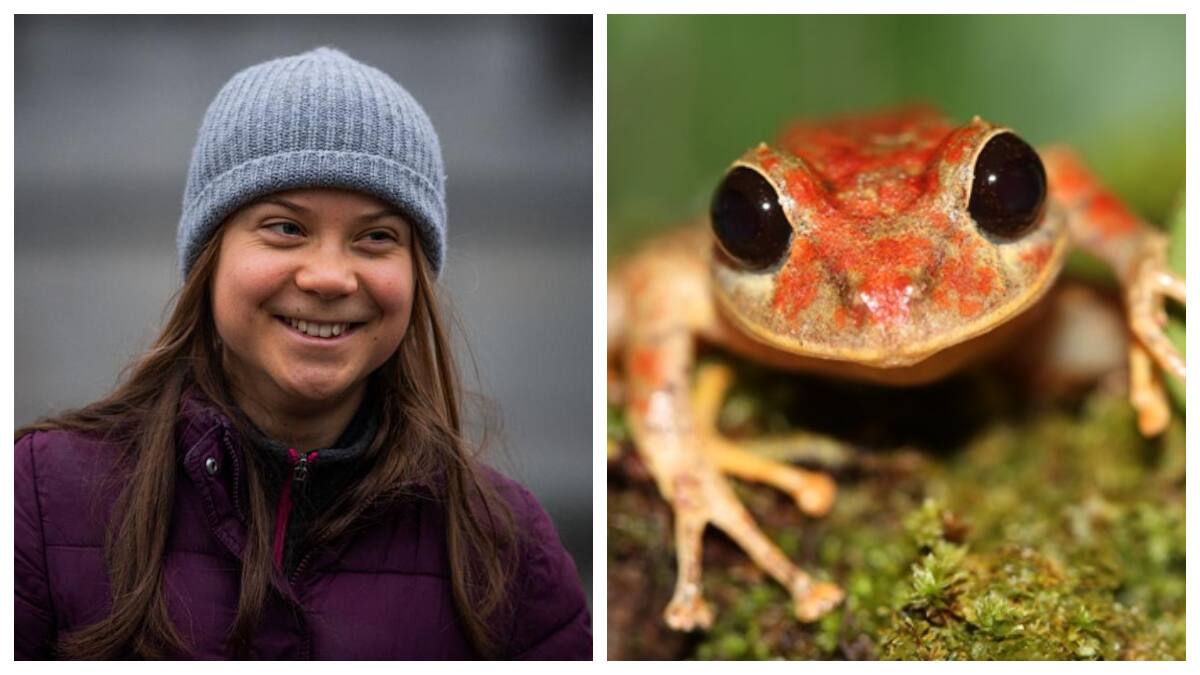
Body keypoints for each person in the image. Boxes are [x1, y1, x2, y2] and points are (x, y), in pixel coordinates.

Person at [14, 46, 591, 660]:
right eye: (286, 228)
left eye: (375, 237)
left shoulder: (508, 548)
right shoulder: (42, 498)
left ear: (416, 276)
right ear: (211, 256)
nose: (329, 277)